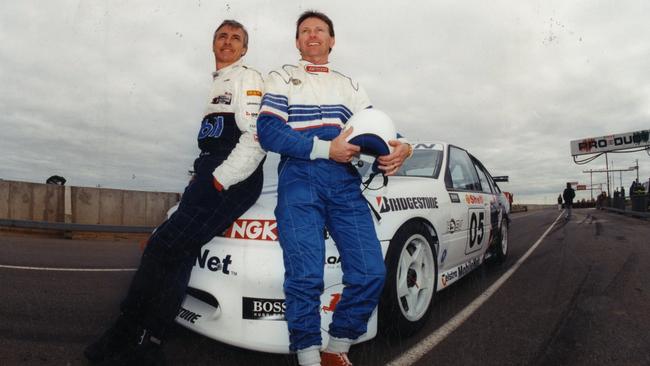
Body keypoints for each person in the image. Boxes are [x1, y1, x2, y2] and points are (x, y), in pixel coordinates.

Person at [84, 19, 266, 365]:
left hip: (233, 177)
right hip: (211, 172)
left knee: (160, 247)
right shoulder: (217, 85)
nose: (227, 42)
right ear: (214, 44)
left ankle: (125, 333)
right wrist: (198, 178)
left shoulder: (248, 77)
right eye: (222, 36)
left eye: (236, 38)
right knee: (178, 253)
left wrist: (219, 179)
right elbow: (212, 145)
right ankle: (151, 345)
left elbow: (257, 136)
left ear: (244, 49)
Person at [256, 10, 411, 366]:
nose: (313, 36)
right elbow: (268, 131)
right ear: (297, 41)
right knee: (306, 274)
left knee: (372, 271)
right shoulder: (281, 77)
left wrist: (404, 147)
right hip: (300, 176)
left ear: (332, 40)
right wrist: (326, 148)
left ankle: (337, 348)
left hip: (345, 182)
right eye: (305, 31)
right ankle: (308, 354)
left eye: (320, 30)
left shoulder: (351, 85)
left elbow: (379, 129)